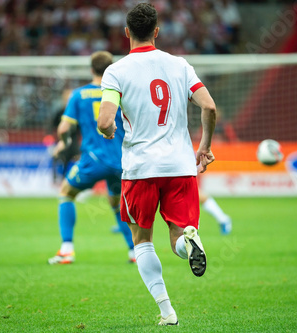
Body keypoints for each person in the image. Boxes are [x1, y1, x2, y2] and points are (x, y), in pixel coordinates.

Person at [97, 3, 216, 326]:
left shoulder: (116, 71)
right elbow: (209, 106)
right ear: (157, 32)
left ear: (126, 33)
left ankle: (167, 312)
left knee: (142, 240)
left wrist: (106, 130)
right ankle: (189, 243)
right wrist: (204, 147)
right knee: (179, 233)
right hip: (180, 166)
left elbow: (106, 119)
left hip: (140, 169)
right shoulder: (179, 65)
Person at [48, 51, 135, 265]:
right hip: (121, 161)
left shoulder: (79, 95)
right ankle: (134, 252)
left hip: (94, 159)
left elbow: (64, 127)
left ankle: (67, 249)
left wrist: (64, 142)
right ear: (111, 68)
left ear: (91, 70)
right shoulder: (121, 93)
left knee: (66, 193)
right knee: (116, 202)